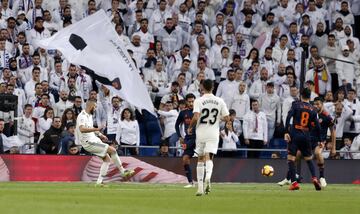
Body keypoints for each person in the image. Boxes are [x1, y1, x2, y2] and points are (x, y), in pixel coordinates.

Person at [75, 100, 135, 186]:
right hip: (89, 142)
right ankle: (123, 171)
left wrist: (100, 134)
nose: (95, 109)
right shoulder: (82, 116)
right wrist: (97, 129)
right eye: (94, 107)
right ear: (90, 106)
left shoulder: (89, 116)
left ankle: (99, 182)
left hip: (94, 139)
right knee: (113, 150)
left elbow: (89, 127)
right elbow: (82, 129)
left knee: (107, 159)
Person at [187, 79, 230, 196]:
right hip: (213, 133)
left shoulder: (198, 101)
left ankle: (200, 188)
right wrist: (226, 123)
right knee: (209, 157)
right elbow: (227, 117)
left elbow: (196, 117)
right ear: (213, 88)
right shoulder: (220, 101)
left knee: (200, 159)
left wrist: (190, 127)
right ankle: (208, 178)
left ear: (202, 88)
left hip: (201, 133)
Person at [284, 88, 324, 191]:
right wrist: (320, 140)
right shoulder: (313, 109)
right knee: (309, 159)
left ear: (301, 95)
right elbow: (318, 127)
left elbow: (288, 117)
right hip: (306, 136)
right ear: (310, 96)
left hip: (295, 134)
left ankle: (294, 183)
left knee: (291, 159)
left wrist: (286, 132)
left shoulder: (296, 104)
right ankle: (315, 178)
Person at [175, 93, 196, 188]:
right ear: (186, 102)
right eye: (189, 101)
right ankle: (191, 182)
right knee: (185, 159)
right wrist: (180, 136)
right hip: (189, 139)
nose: (191, 103)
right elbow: (176, 125)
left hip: (200, 138)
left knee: (204, 159)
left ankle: (205, 180)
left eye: (193, 101)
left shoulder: (199, 112)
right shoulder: (183, 113)